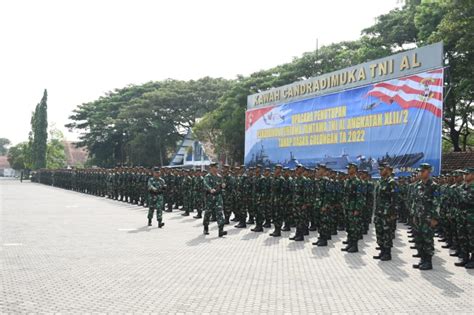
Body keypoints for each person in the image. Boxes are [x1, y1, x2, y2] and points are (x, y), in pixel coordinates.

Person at [412, 163, 439, 270]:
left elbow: (437, 203)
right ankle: (422, 259)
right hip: (419, 217)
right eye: (420, 171)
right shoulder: (418, 185)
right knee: (419, 239)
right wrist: (414, 215)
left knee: (428, 239)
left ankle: (428, 261)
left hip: (428, 218)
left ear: (429, 171)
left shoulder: (434, 186)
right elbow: (415, 201)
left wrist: (435, 218)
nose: (421, 173)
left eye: (423, 171)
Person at [373, 164, 398, 261]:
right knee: (379, 232)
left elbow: (395, 200)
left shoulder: (392, 183)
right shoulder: (380, 182)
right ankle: (382, 250)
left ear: (387, 170)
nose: (380, 171)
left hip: (387, 214)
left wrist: (393, 214)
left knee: (387, 233)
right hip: (379, 212)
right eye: (379, 169)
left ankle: (387, 253)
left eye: (382, 169)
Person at [342, 163, 364, 253]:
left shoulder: (358, 182)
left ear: (354, 169)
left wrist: (357, 209)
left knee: (354, 227)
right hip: (348, 208)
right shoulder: (347, 181)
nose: (348, 170)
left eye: (350, 168)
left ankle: (355, 245)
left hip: (354, 208)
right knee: (349, 226)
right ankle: (350, 243)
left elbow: (360, 197)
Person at [203, 162, 227, 237]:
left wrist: (223, 185)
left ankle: (221, 230)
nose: (216, 169)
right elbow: (205, 184)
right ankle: (206, 227)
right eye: (215, 167)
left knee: (219, 212)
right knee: (208, 213)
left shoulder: (219, 177)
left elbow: (222, 184)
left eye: (217, 167)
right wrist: (210, 189)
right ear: (211, 168)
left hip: (218, 197)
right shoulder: (208, 176)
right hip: (210, 197)